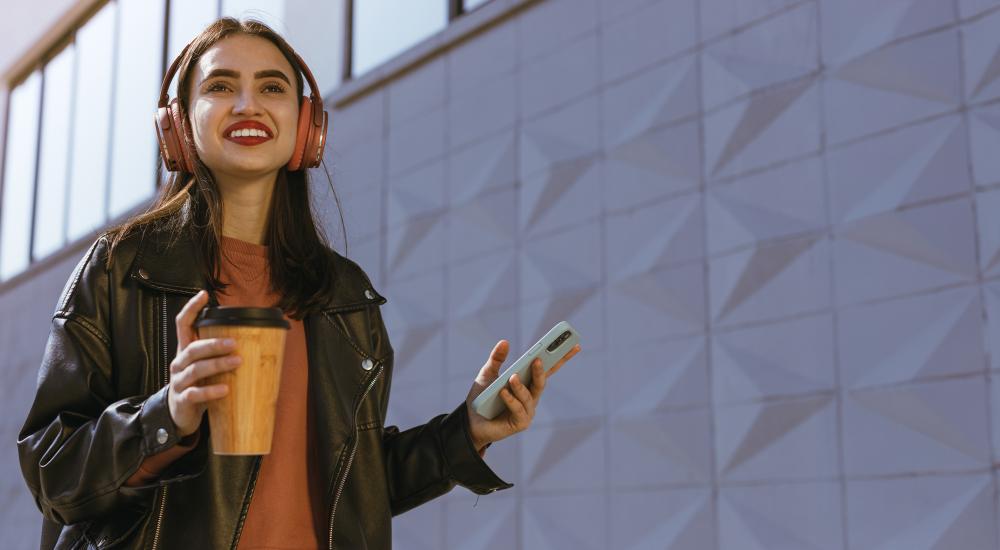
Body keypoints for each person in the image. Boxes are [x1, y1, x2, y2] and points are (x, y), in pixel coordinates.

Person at [16, 17, 580, 550]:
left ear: (306, 127)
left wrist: (469, 430)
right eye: (220, 85)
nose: (247, 104)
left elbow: (350, 481)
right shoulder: (119, 269)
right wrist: (166, 417)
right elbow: (52, 473)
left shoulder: (342, 292)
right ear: (179, 124)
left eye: (272, 88)